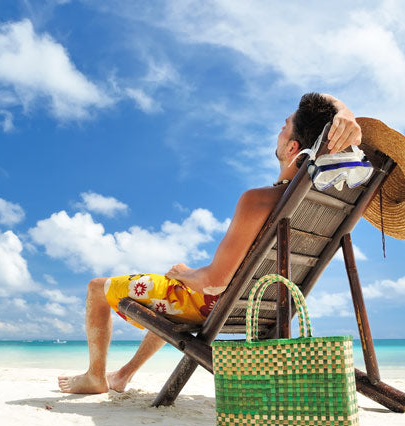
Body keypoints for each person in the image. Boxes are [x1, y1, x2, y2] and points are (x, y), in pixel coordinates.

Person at [58, 93, 362, 394]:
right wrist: (343, 113)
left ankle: (95, 376)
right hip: (261, 306)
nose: (279, 130)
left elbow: (215, 283)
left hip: (214, 303)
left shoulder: (258, 200)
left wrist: (186, 273)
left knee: (99, 287)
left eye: (284, 126)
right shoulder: (317, 206)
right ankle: (124, 374)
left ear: (292, 147)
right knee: (175, 297)